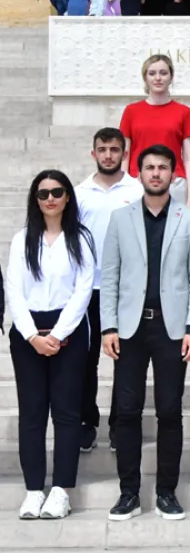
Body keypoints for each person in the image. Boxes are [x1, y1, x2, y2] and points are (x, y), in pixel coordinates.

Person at [100, 145, 190, 521]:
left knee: (169, 411)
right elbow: (110, 276)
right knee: (127, 412)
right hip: (129, 330)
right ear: (140, 172)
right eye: (149, 167)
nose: (156, 173)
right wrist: (108, 326)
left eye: (163, 167)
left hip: (172, 329)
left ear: (172, 173)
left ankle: (166, 492)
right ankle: (128, 493)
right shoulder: (120, 218)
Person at [6, 171, 94, 520]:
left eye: (57, 191)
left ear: (68, 196)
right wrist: (32, 336)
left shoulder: (81, 239)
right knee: (32, 413)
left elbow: (83, 289)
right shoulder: (21, 239)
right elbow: (14, 289)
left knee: (67, 413)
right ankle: (32, 490)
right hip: (28, 332)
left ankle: (60, 490)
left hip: (68, 330)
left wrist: (57, 334)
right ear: (35, 199)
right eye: (43, 193)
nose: (50, 198)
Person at [75, 128, 144, 452]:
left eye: (114, 149)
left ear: (124, 153)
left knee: (126, 362)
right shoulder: (79, 193)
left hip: (126, 290)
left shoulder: (137, 189)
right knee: (85, 360)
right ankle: (87, 422)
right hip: (89, 290)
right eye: (102, 149)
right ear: (94, 154)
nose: (108, 155)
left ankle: (121, 425)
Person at [120, 54, 190, 207]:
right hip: (138, 182)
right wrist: (123, 187)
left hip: (174, 183)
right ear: (145, 78)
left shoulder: (183, 112)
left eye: (163, 73)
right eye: (152, 73)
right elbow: (124, 155)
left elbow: (189, 158)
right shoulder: (131, 111)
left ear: (171, 77)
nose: (158, 78)